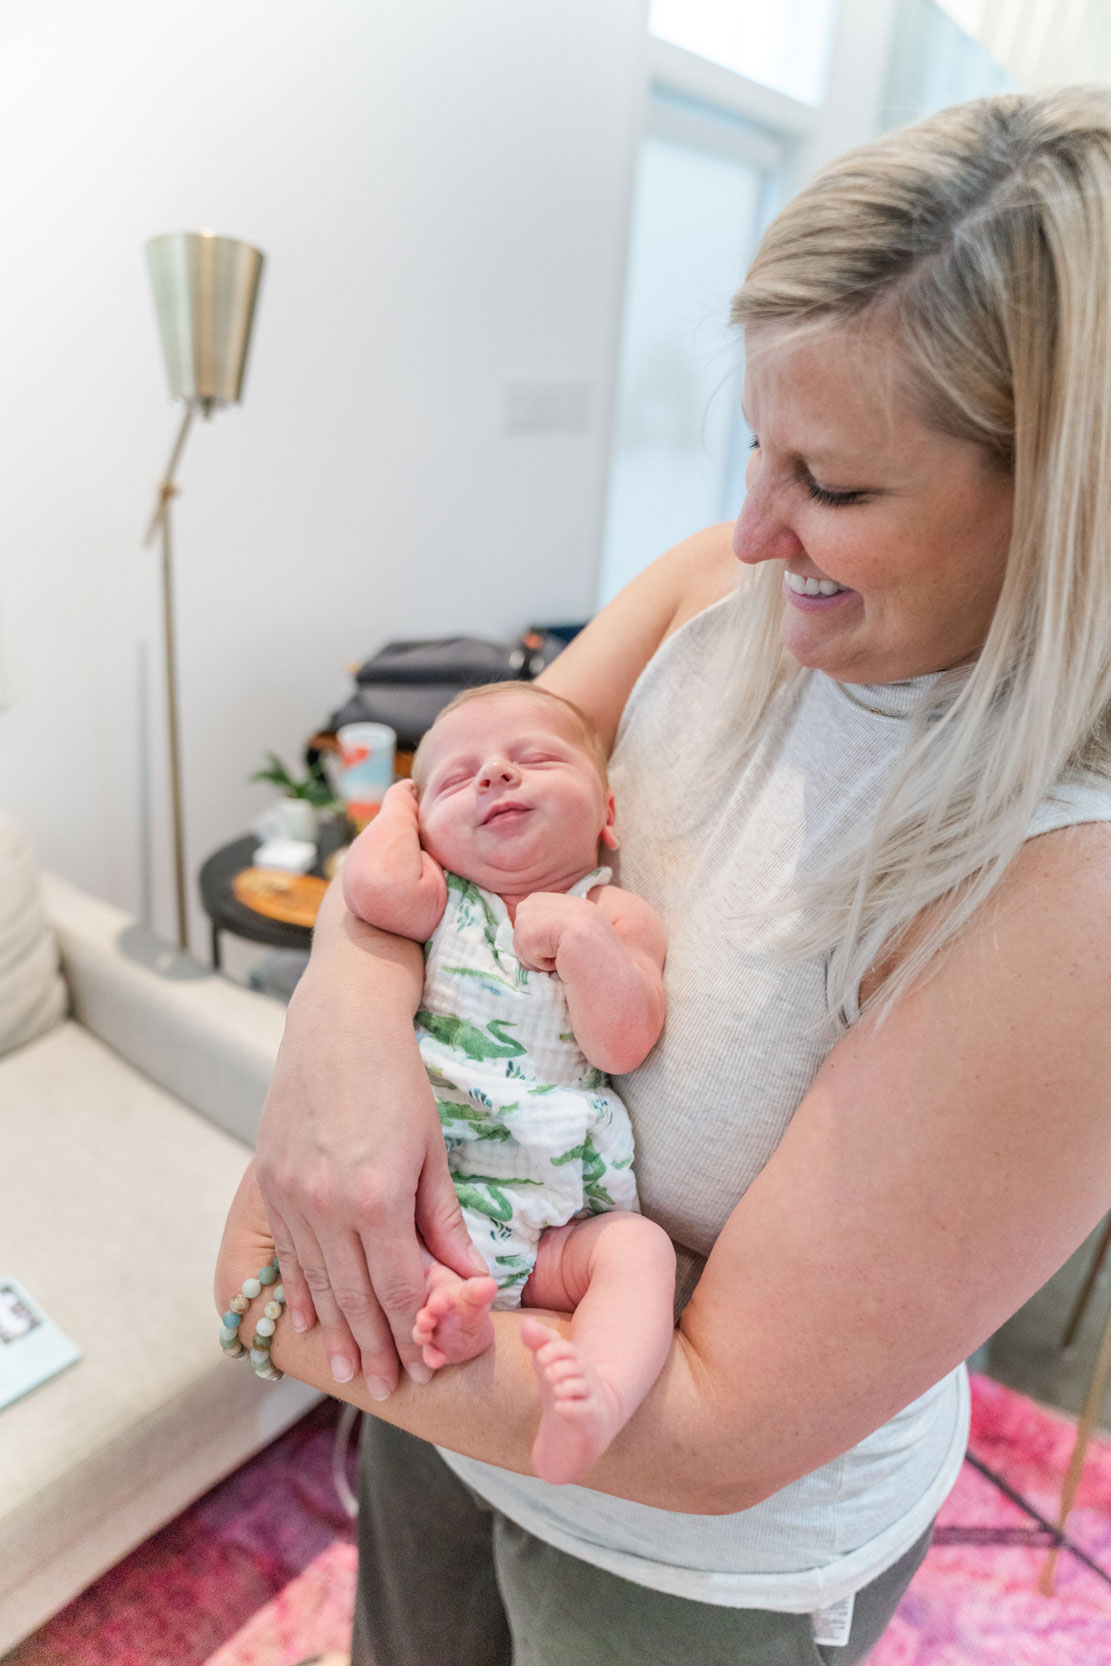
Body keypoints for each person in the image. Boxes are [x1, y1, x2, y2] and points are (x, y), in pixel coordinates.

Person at [218, 87, 1111, 1664]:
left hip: (679, 1562)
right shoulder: (724, 591)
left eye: (831, 485)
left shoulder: (1062, 898)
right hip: (454, 1389)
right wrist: (346, 1020)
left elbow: (706, 1424)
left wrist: (281, 1300)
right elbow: (479, 779)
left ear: (1061, 509)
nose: (752, 530)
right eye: (753, 446)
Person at [337, 682, 673, 1485]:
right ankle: (458, 1325)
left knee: (637, 1252)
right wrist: (394, 806)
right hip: (438, 1191)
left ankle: (598, 1397)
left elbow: (624, 1044)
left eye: (533, 759)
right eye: (454, 781)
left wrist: (582, 938)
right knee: (384, 1243)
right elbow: (372, 889)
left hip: (559, 1212)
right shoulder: (442, 903)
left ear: (606, 816)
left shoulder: (615, 911)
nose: (492, 776)